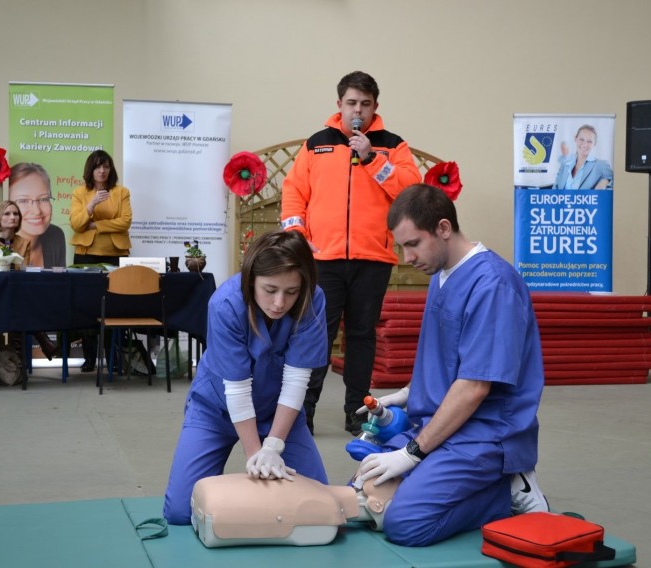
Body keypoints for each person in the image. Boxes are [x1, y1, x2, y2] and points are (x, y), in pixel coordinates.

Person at [354, 183, 548, 547]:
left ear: (444, 228)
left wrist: (412, 454)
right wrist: (408, 395)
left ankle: (507, 489)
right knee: (365, 492)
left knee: (404, 523)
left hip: (486, 435)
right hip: (441, 421)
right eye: (401, 247)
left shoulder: (493, 285)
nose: (406, 257)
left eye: (413, 244)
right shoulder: (441, 272)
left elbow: (476, 385)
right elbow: (451, 358)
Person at [280, 70, 421, 436]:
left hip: (372, 260)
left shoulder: (393, 145)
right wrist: (297, 234)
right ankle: (302, 413)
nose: (358, 110)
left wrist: (372, 157)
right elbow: (294, 191)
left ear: (375, 106)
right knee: (317, 336)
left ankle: (357, 412)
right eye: (351, 103)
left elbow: (410, 191)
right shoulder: (317, 144)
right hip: (323, 260)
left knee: (361, 336)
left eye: (365, 104)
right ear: (339, 104)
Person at [163, 230, 329, 525]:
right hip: (216, 410)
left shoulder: (312, 299)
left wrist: (274, 446)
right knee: (180, 512)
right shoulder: (225, 303)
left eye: (291, 291)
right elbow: (237, 390)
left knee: (321, 508)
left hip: (278, 412)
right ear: (251, 278)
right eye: (269, 289)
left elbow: (296, 381)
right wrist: (257, 456)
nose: (279, 302)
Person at [69, 150, 133, 372]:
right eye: (97, 167)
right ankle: (89, 358)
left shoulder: (121, 192)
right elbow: (77, 224)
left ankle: (113, 358)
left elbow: (124, 222)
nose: (102, 171)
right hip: (85, 253)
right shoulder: (80, 193)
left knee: (114, 306)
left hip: (115, 253)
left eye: (105, 166)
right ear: (91, 170)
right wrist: (92, 204)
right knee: (87, 305)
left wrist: (96, 225)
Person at [0, 201, 58, 360]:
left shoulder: (23, 242)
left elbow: (23, 273)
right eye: (7, 214)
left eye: (16, 214)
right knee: (22, 306)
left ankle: (16, 356)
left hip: (14, 293)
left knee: (22, 302)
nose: (12, 217)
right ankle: (40, 340)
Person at [7, 163, 66, 268]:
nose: (37, 211)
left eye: (43, 199)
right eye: (23, 201)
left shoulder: (55, 236)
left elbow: (61, 282)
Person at [552, 124, 613, 189]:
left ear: (595, 143)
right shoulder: (564, 165)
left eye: (589, 141)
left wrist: (606, 182)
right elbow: (555, 190)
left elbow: (616, 181)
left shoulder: (601, 165)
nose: (585, 144)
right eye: (581, 139)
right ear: (575, 139)